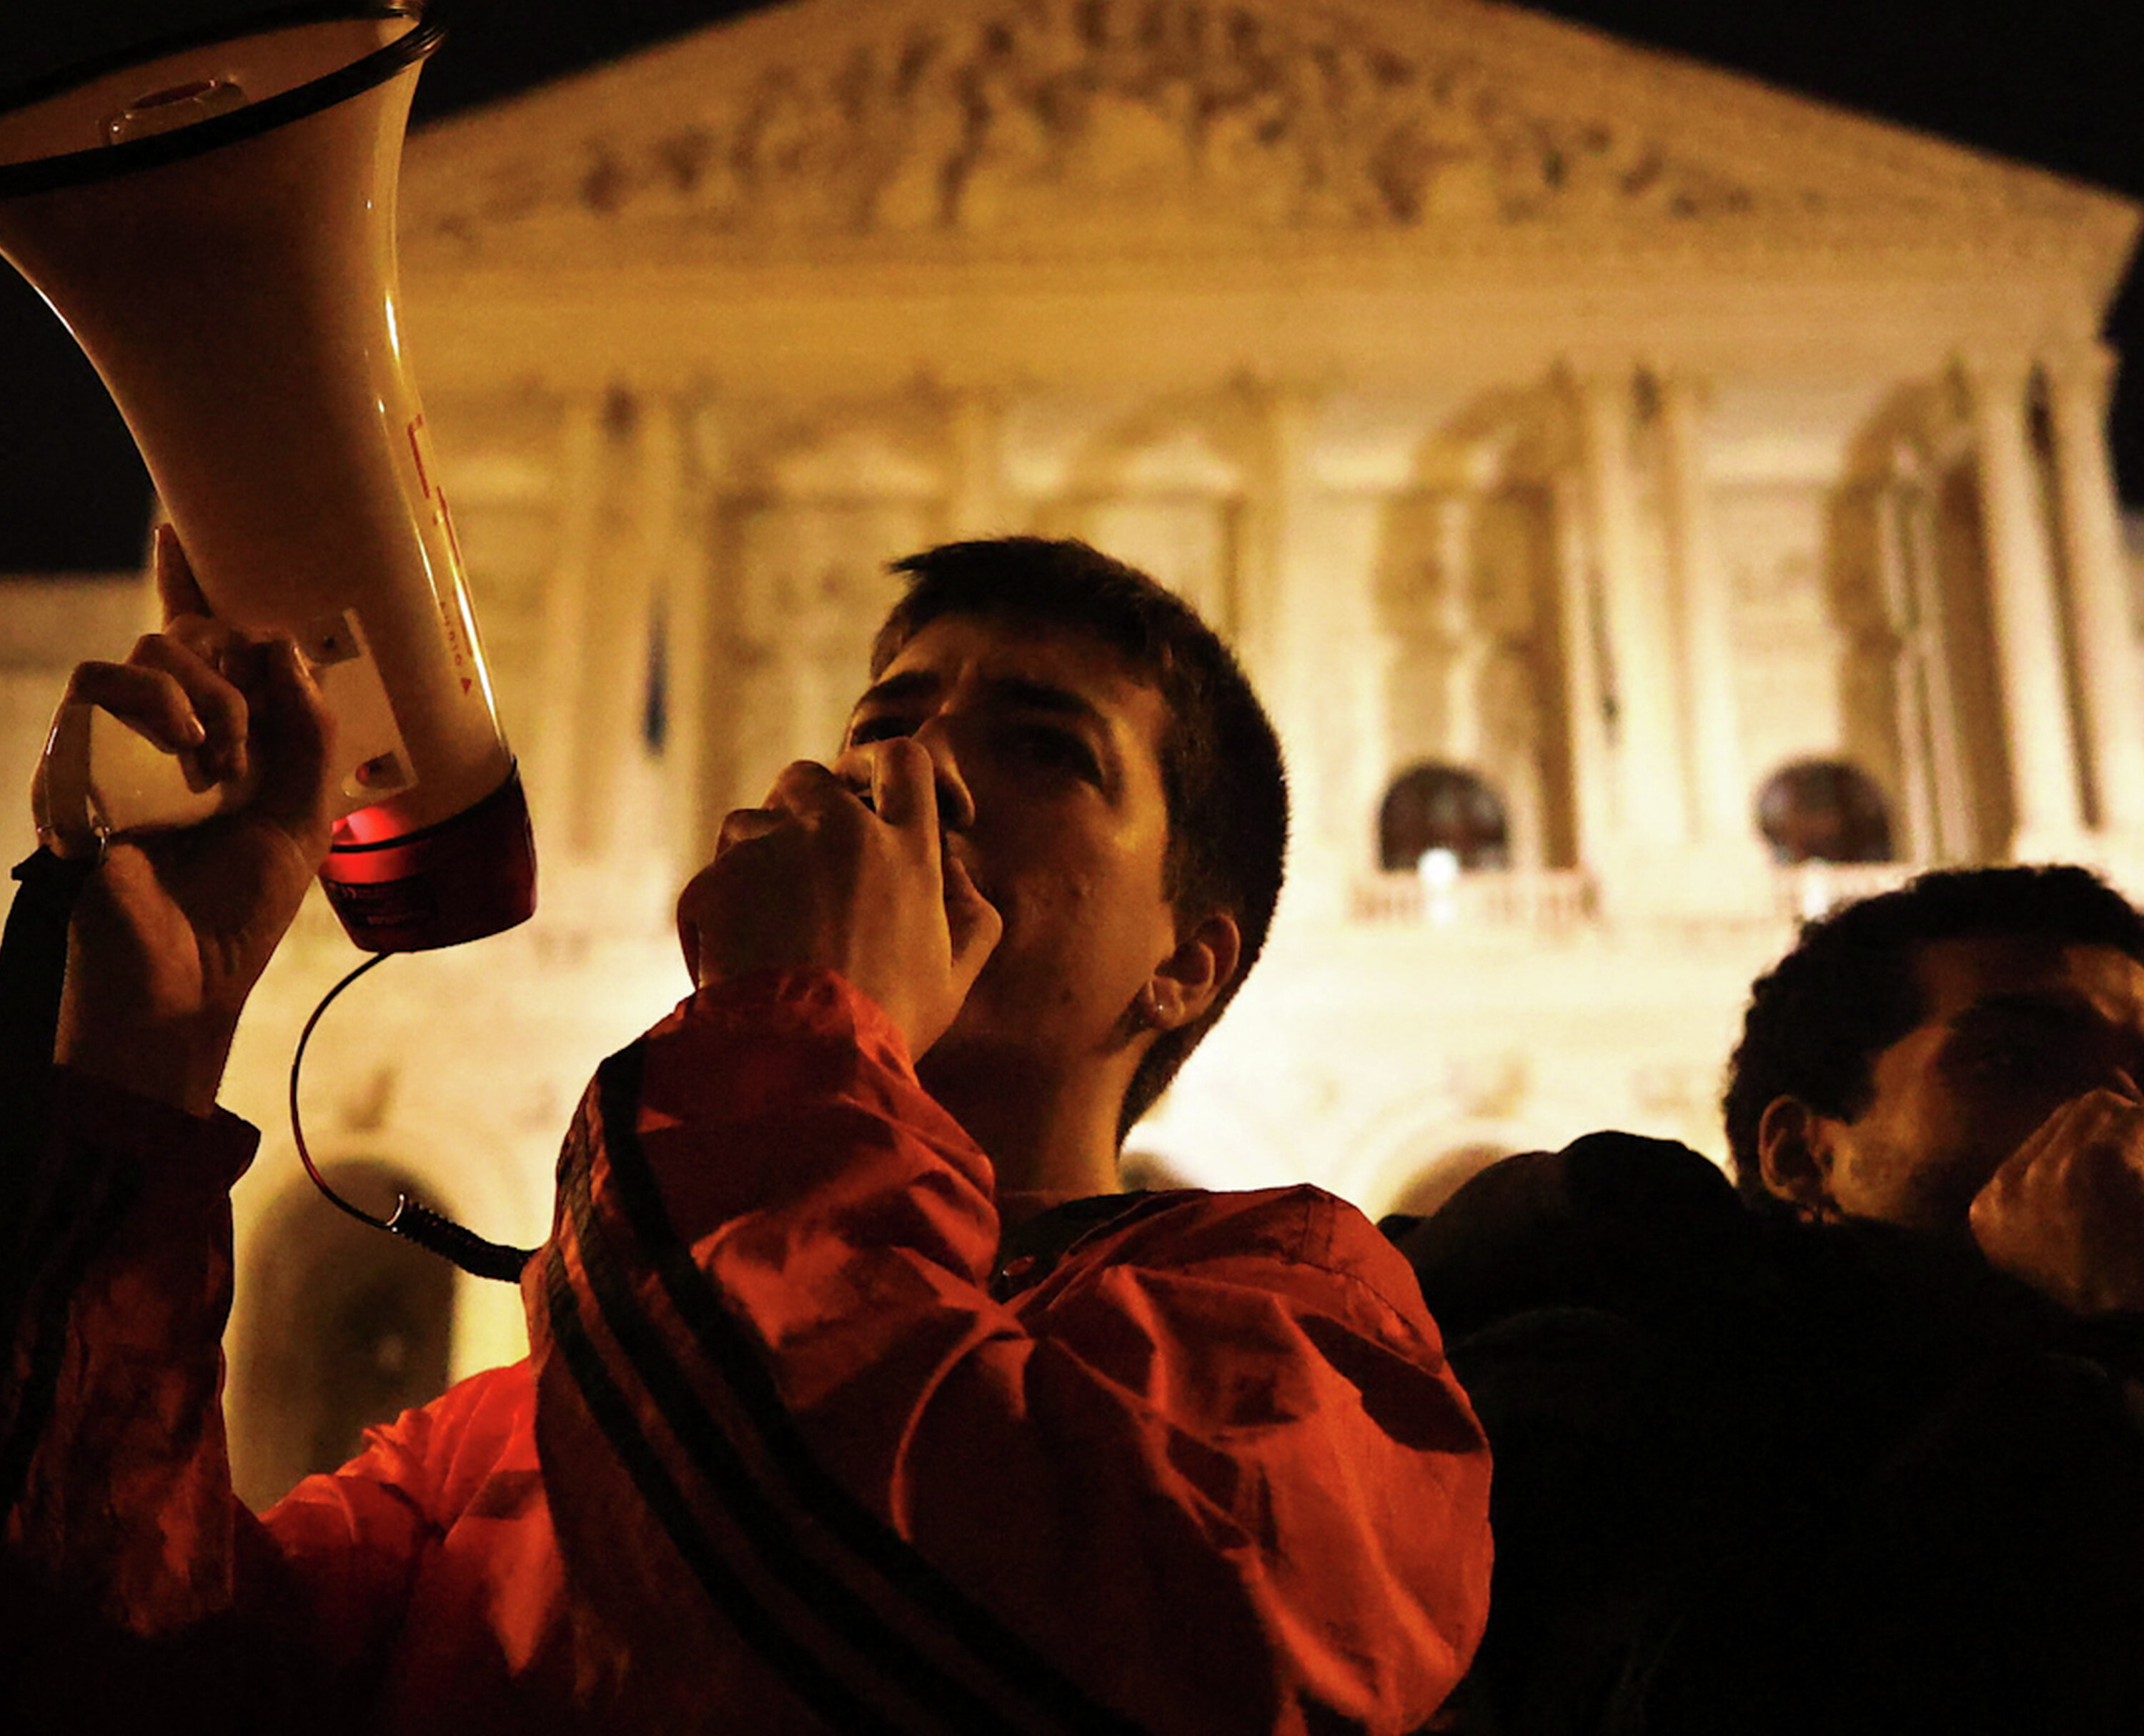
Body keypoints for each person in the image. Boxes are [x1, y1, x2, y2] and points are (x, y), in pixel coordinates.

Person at [1, 530, 1491, 1735]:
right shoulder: (498, 1437)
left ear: (1187, 962)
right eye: (885, 722)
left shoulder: (1304, 1332)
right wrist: (144, 1061)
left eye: (1047, 748)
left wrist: (806, 1013)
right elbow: (111, 1676)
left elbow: (863, 1605)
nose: (913, 774)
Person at [1386, 863, 2144, 1736]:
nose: (2118, 1112)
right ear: (1802, 1156)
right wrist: (2107, 1347)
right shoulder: (1611, 1357)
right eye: (2016, 1059)